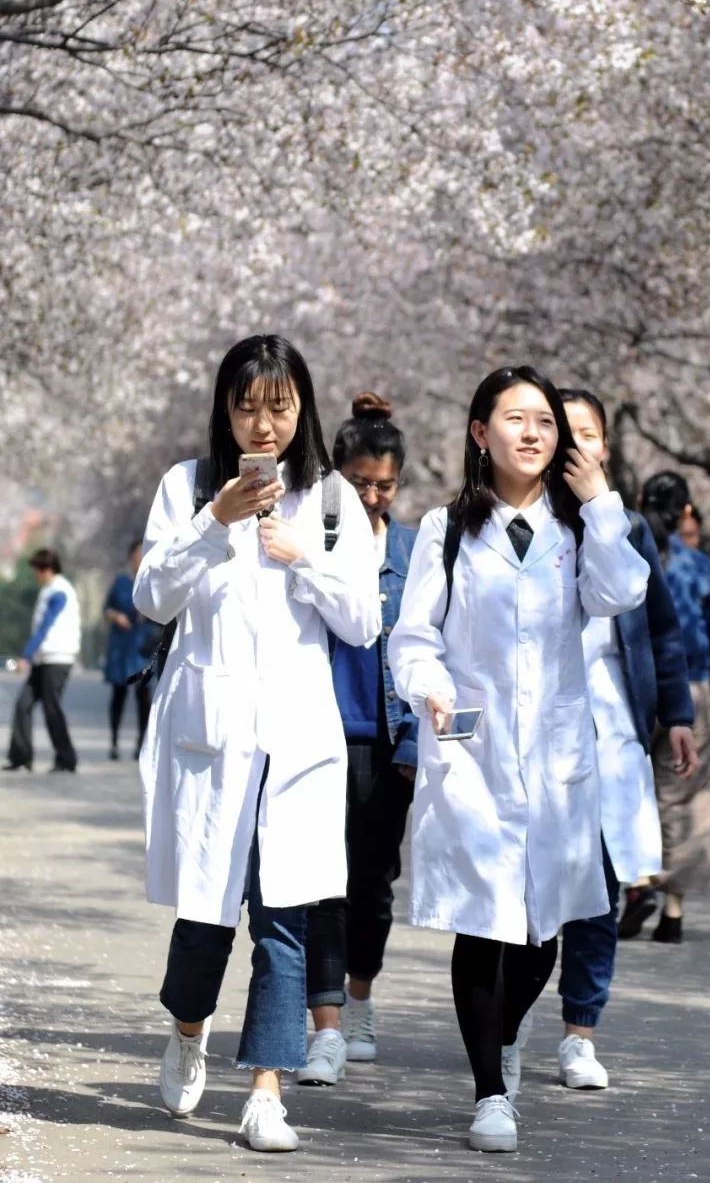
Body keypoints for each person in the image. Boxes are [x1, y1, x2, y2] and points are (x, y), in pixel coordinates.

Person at [388, 365, 649, 1154]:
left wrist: (602, 498)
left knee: (542, 933)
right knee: (484, 920)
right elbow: (413, 636)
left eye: (544, 421)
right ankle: (490, 1090)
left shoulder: (581, 529)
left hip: (557, 757)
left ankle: (500, 1035)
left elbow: (624, 592)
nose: (532, 432)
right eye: (514, 418)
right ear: (479, 432)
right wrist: (430, 689)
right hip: (473, 753)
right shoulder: (447, 528)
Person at [134, 334, 381, 1154]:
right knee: (205, 918)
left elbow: (362, 620)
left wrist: (300, 553)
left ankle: (267, 1092)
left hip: (296, 741)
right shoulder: (188, 486)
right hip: (214, 735)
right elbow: (153, 597)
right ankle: (187, 1029)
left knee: (284, 922)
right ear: (224, 408)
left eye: (278, 405)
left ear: (302, 405)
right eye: (247, 404)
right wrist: (215, 524)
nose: (263, 422)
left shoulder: (333, 497)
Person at [550, 389, 696, 1090]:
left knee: (601, 889)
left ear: (605, 447)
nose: (577, 446)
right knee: (536, 888)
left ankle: (582, 1030)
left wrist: (677, 713)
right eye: (562, 431)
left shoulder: (630, 527)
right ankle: (504, 1025)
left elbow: (661, 627)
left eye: (589, 434)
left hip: (612, 725)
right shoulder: (527, 522)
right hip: (541, 726)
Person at [301, 392, 418, 1085]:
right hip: (318, 730)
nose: (373, 496)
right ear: (336, 475)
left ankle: (362, 997)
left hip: (385, 740)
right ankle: (327, 1024)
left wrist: (411, 748)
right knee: (322, 883)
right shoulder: (310, 536)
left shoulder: (409, 550)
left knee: (374, 884)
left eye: (385, 485)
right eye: (360, 482)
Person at [626, 472, 710, 946]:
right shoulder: (698, 568)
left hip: (629, 684)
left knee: (629, 787)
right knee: (684, 796)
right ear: (687, 512)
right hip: (688, 687)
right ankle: (673, 908)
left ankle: (637, 881)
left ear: (640, 501)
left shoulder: (626, 556)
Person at [4, 547, 81, 773]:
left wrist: (25, 657)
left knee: (52, 709)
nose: (35, 574)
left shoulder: (59, 590)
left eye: (36, 570)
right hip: (44, 659)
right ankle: (21, 757)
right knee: (23, 704)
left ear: (46, 569)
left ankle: (66, 759)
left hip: (57, 659)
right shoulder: (49, 590)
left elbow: (45, 627)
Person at [102, 540, 153, 760]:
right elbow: (106, 609)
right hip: (121, 647)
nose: (138, 559)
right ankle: (114, 741)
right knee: (118, 695)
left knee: (143, 697)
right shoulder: (121, 582)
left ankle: (141, 742)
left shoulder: (153, 581)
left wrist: (150, 613)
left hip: (141, 648)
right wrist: (116, 616)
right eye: (136, 555)